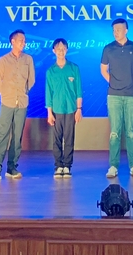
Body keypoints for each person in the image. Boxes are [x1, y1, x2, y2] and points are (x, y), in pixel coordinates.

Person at [0, 30, 34, 182]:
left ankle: (12, 168)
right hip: (7, 102)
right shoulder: (3, 60)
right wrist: (6, 94)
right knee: (2, 135)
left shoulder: (28, 59)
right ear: (12, 41)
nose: (23, 43)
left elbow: (31, 80)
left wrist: (23, 92)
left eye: (24, 40)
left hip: (22, 103)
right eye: (21, 40)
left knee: (17, 136)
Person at [101, 18, 133, 178]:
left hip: (131, 95)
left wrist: (131, 84)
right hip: (113, 95)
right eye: (114, 30)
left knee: (131, 132)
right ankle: (113, 166)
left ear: (126, 30)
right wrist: (114, 83)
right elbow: (103, 69)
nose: (116, 32)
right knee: (114, 132)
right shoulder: (108, 49)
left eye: (119, 29)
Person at [45, 38, 82, 178]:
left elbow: (79, 90)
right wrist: (49, 113)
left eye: (63, 49)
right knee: (57, 139)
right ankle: (58, 166)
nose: (61, 51)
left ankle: (67, 166)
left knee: (69, 138)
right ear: (54, 51)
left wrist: (79, 109)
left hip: (71, 109)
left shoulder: (74, 68)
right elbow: (48, 93)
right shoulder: (51, 71)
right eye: (58, 49)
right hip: (56, 110)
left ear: (67, 50)